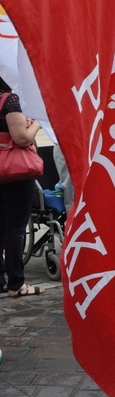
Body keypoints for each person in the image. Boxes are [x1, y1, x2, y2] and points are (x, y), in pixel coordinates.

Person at [0, 78, 44, 298]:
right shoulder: (9, 101)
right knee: (15, 228)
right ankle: (16, 284)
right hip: (15, 174)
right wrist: (36, 121)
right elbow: (22, 138)